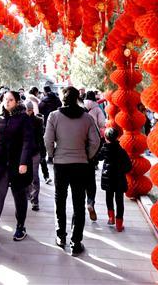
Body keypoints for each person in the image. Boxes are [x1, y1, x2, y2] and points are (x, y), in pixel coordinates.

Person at [44, 86, 100, 256]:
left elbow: (48, 139)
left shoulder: (54, 116)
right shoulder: (87, 118)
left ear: (63, 98)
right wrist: (87, 156)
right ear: (78, 98)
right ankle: (76, 242)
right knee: (78, 201)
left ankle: (60, 236)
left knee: (60, 199)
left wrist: (53, 155)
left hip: (61, 164)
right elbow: (95, 141)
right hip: (80, 164)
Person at [0, 90, 34, 247]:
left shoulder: (23, 118)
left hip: (17, 163)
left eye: (10, 100)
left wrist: (23, 162)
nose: (7, 102)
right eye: (5, 99)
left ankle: (20, 226)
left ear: (17, 102)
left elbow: (27, 142)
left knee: (19, 195)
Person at [98, 127, 132, 232]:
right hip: (119, 180)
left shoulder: (105, 149)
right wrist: (122, 171)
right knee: (119, 201)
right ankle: (119, 224)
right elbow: (129, 166)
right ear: (117, 137)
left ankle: (111, 218)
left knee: (109, 198)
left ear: (106, 138)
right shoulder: (121, 151)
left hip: (108, 179)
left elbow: (98, 157)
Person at [83, 90, 106, 220]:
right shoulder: (97, 109)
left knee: (80, 180)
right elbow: (102, 124)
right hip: (93, 144)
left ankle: (78, 209)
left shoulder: (81, 108)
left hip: (80, 147)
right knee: (91, 179)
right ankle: (90, 201)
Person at [24, 99, 47, 211]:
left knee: (34, 176)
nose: (28, 112)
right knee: (25, 176)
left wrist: (43, 152)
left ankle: (34, 201)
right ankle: (28, 195)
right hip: (23, 152)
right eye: (26, 110)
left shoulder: (38, 121)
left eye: (30, 110)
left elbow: (40, 138)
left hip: (34, 151)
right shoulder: (21, 120)